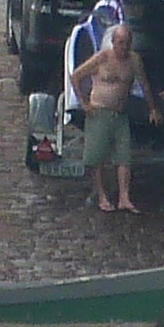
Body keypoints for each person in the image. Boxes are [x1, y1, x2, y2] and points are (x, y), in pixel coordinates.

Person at [70, 18, 142, 214]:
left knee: (124, 157)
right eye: (120, 42)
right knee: (97, 157)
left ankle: (124, 197)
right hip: (99, 110)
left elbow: (144, 84)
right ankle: (102, 195)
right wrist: (84, 102)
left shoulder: (134, 60)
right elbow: (76, 75)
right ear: (113, 42)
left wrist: (153, 108)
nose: (123, 47)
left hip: (120, 113)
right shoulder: (103, 58)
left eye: (127, 43)